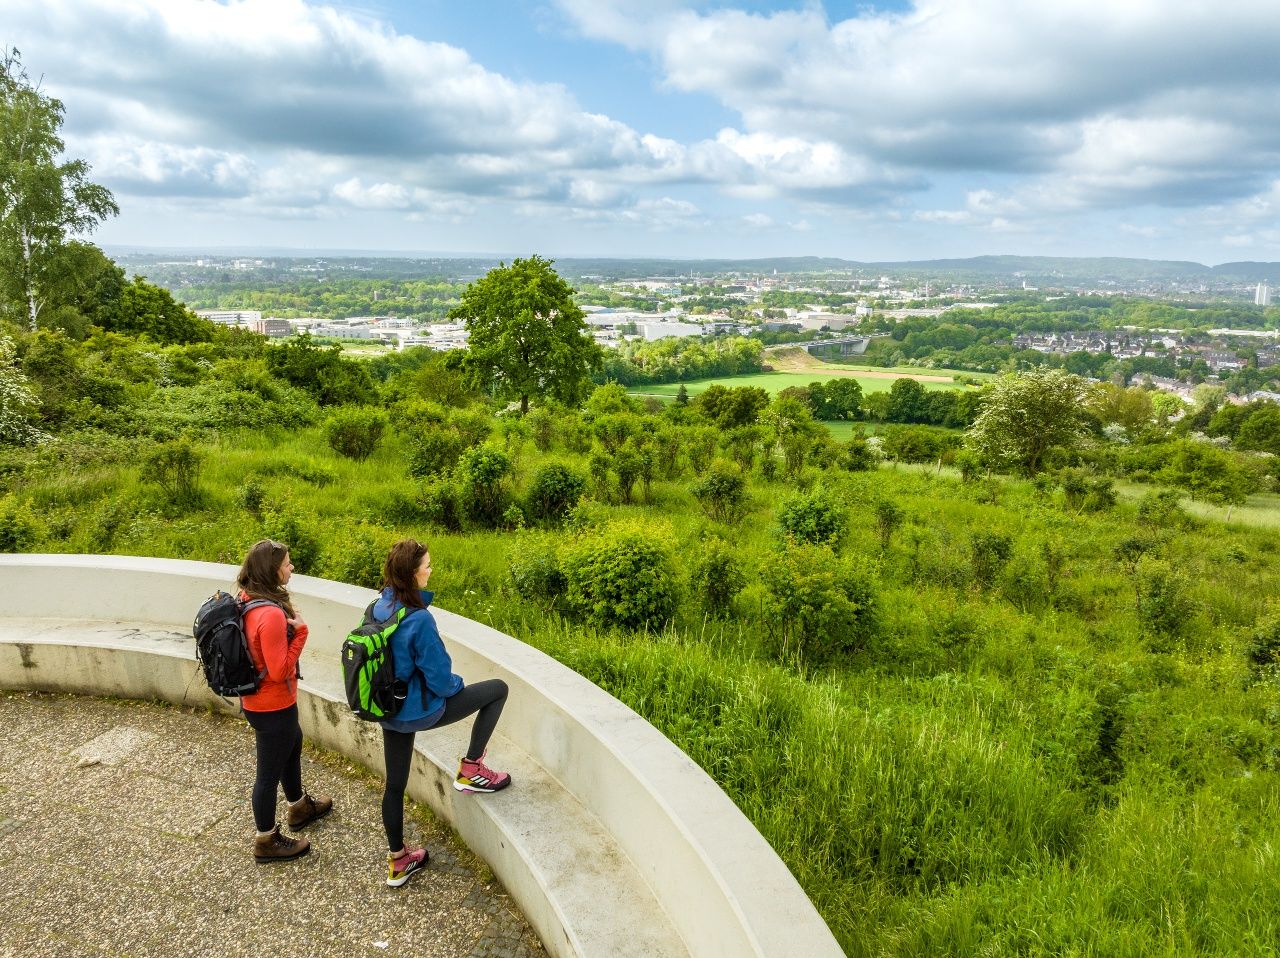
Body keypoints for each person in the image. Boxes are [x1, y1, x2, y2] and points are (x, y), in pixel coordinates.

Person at [375, 538, 511, 887]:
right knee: (497, 690)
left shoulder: (379, 605)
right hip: (419, 710)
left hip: (387, 707)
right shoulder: (420, 619)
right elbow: (440, 680)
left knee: (394, 786)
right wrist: (458, 684)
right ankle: (471, 769)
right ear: (413, 573)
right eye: (427, 566)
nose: (431, 570)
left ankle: (398, 861)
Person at [237, 539, 333, 863]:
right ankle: (265, 840)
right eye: (287, 564)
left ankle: (298, 807)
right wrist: (301, 633)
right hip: (272, 704)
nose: (291, 568)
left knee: (292, 745)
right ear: (272, 570)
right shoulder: (270, 614)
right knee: (267, 773)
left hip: (259, 701)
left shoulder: (248, 598)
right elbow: (279, 671)